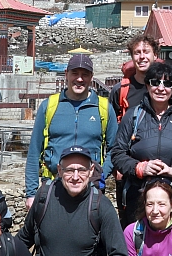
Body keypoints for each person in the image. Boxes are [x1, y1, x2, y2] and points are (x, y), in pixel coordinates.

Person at [111, 61, 172, 227]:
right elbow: (117, 153)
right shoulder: (134, 116)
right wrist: (140, 168)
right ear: (147, 85)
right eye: (155, 82)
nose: (161, 88)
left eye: (167, 84)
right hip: (138, 198)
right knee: (139, 240)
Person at [24, 53, 118, 211]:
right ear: (66, 74)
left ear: (91, 77)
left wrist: (101, 173)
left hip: (90, 188)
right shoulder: (49, 106)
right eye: (75, 73)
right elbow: (34, 151)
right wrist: (31, 193)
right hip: (53, 186)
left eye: (85, 74)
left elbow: (114, 149)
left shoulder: (104, 108)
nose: (79, 79)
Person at [109, 34, 159, 122]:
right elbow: (111, 125)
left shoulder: (165, 88)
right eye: (137, 53)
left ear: (155, 55)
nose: (142, 56)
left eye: (146, 52)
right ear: (132, 57)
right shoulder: (120, 90)